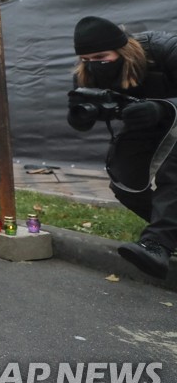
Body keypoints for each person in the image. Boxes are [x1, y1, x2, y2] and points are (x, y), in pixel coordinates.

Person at [67, 16, 177, 279]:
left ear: (122, 49)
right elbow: (86, 109)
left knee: (171, 171)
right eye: (86, 58)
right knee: (125, 181)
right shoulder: (86, 73)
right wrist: (84, 115)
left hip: (170, 116)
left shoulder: (165, 50)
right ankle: (169, 230)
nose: (94, 64)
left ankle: (157, 243)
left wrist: (161, 107)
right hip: (146, 124)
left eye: (101, 56)